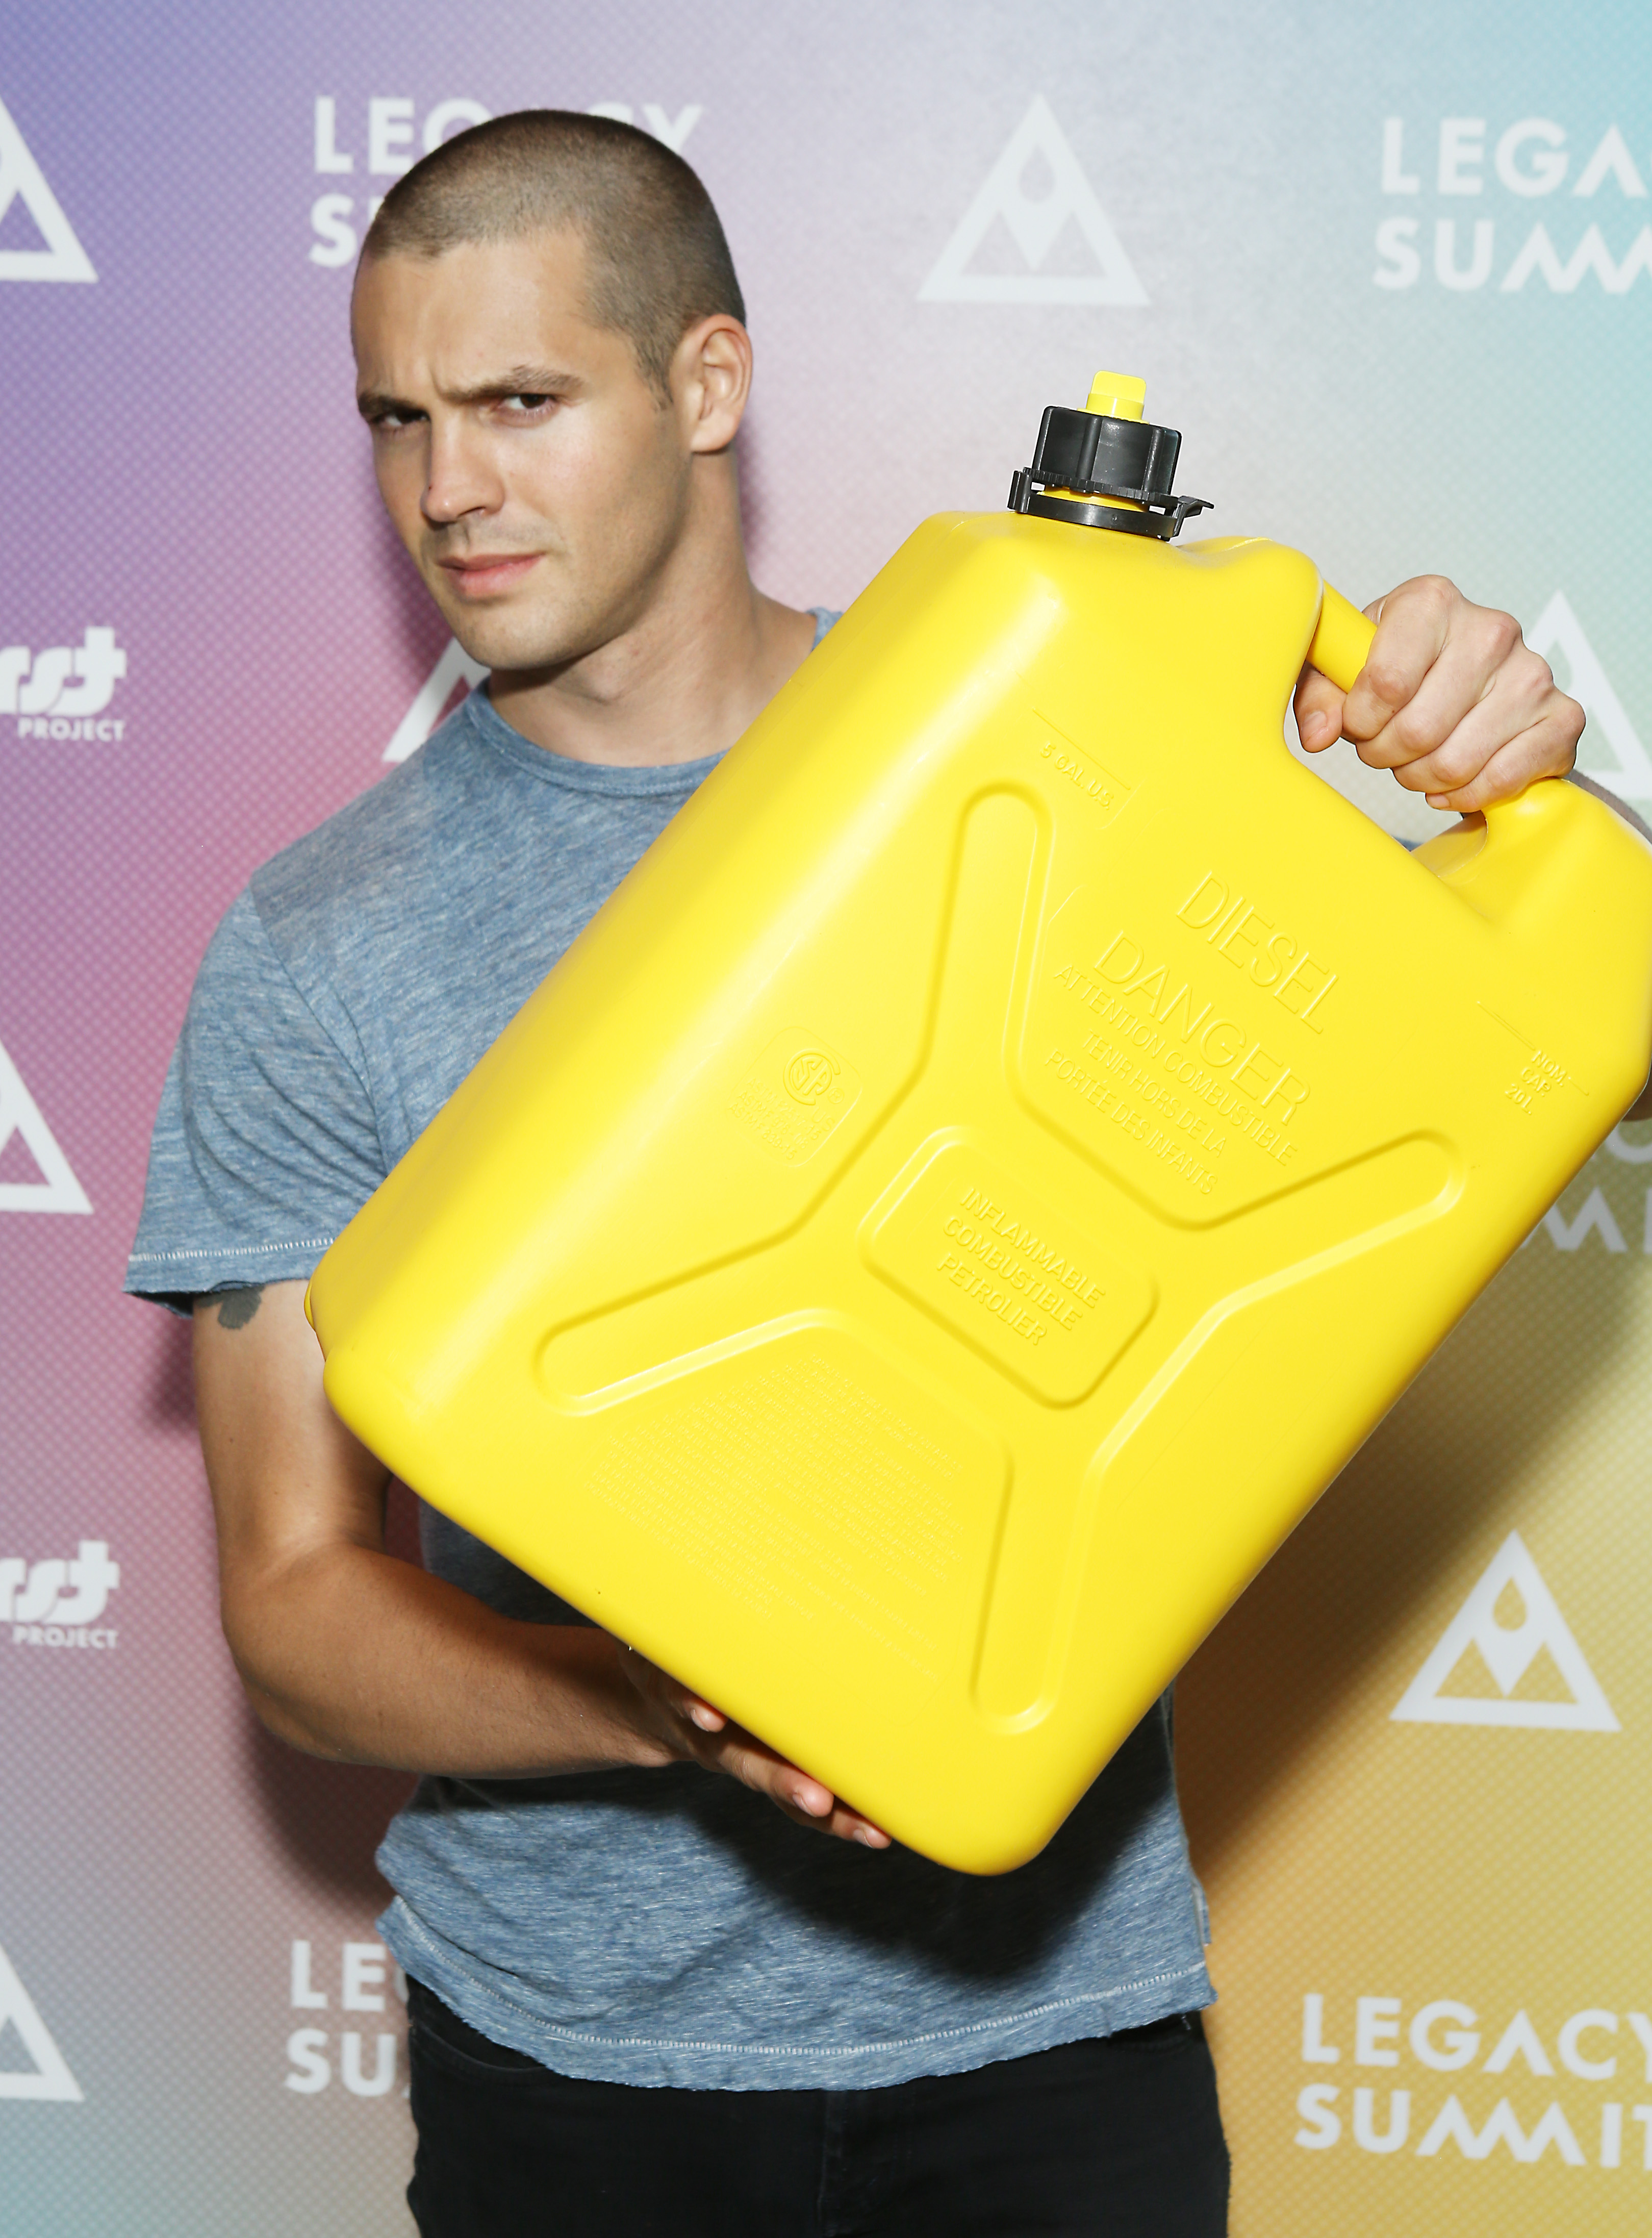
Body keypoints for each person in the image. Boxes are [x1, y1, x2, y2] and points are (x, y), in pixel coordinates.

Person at [126, 111, 1615, 2237]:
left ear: (707, 383)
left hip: (1051, 2050)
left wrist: (1527, 776)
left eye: (521, 400)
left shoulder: (1052, 746)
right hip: (574, 2071)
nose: (451, 487)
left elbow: (1534, 1057)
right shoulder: (315, 945)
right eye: (400, 418)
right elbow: (290, 1612)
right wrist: (652, 1708)